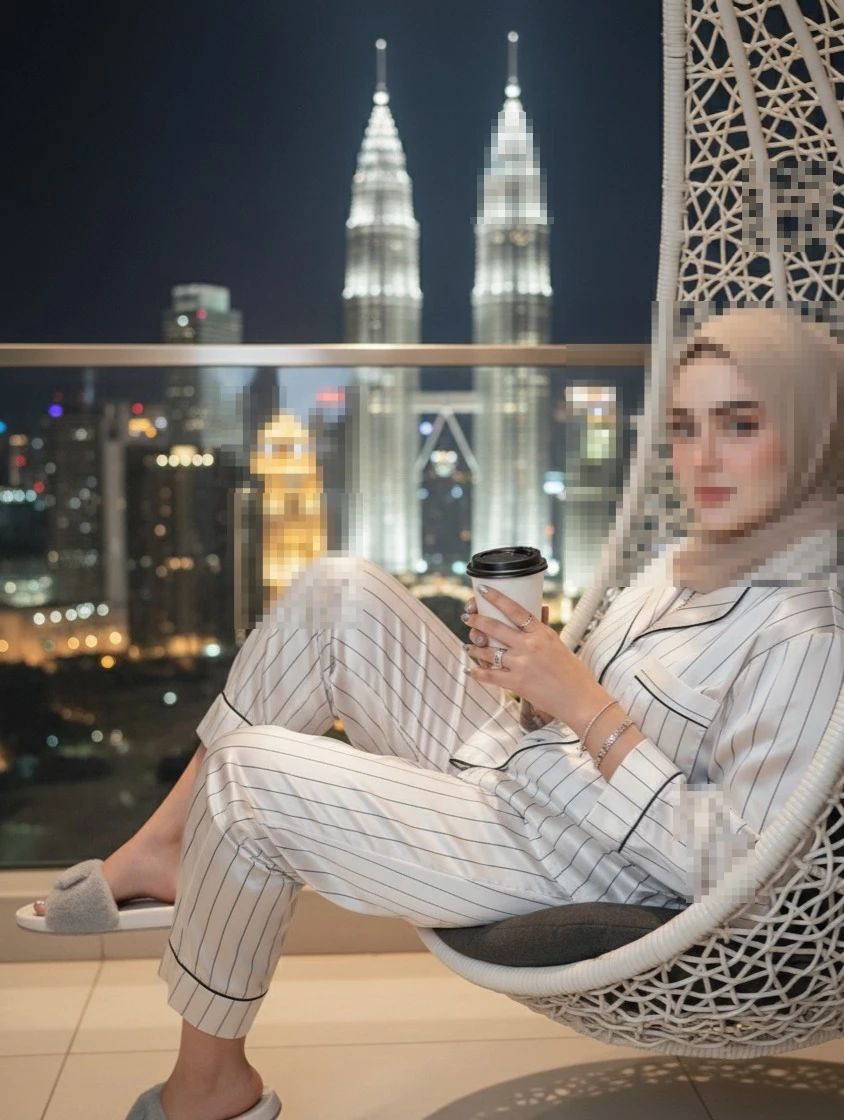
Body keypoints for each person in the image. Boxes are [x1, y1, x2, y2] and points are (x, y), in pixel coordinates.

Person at [30, 307, 842, 1120]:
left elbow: (749, 881)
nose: (702, 458)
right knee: (336, 591)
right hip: (530, 771)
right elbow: (598, 706)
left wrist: (584, 703)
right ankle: (170, 843)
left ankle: (211, 1089)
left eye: (740, 425)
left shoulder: (803, 633)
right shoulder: (691, 561)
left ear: (809, 433)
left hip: (574, 857)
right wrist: (535, 679)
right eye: (684, 426)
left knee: (250, 778)